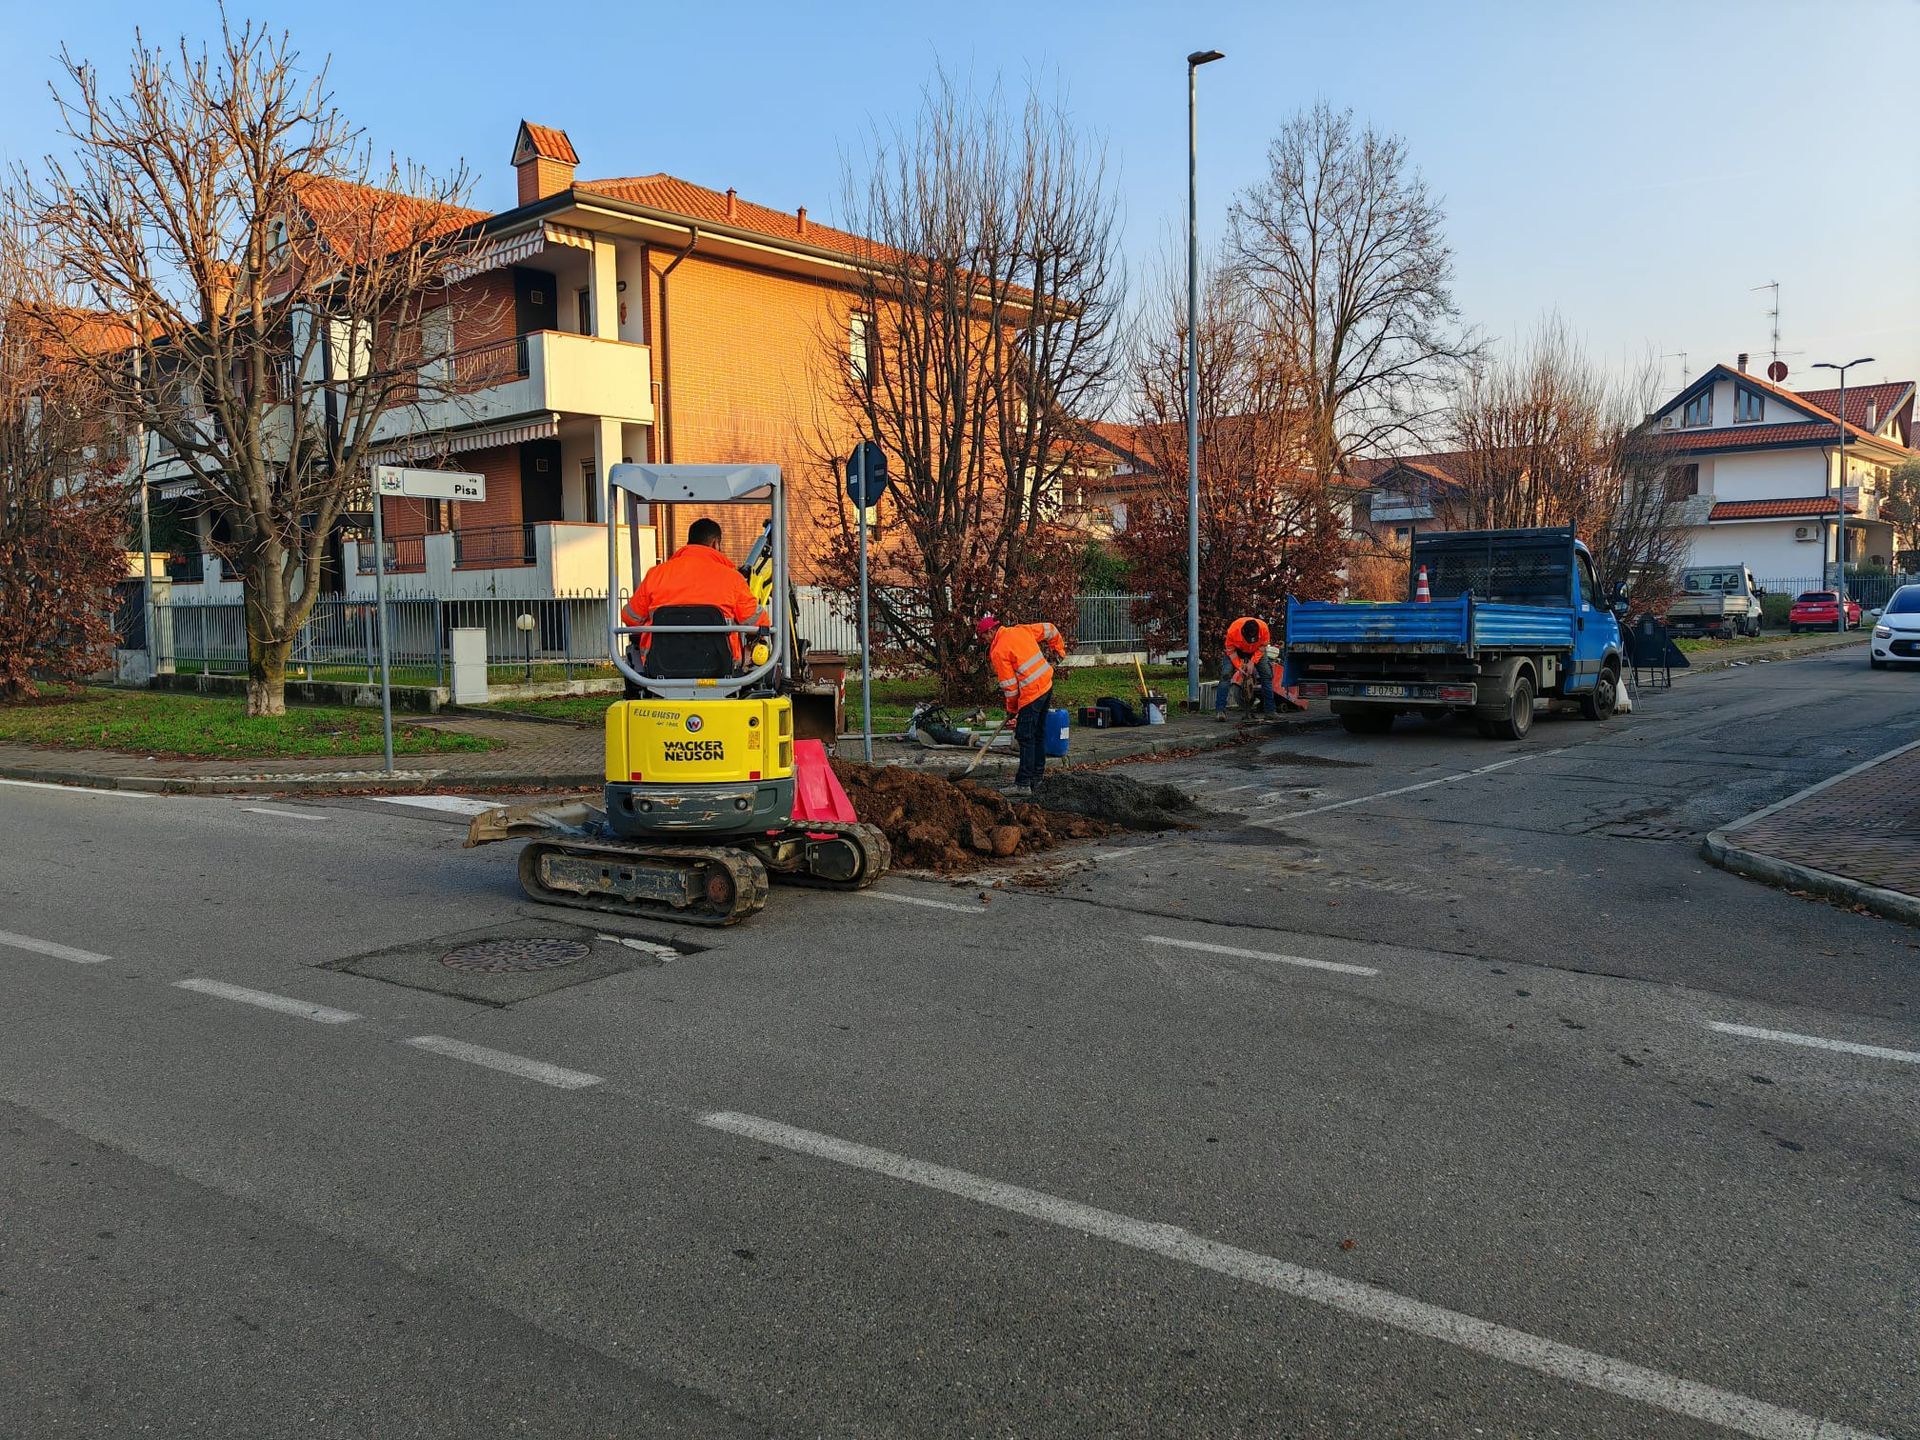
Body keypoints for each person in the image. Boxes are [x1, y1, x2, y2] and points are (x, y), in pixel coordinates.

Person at [620, 518, 767, 672]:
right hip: (721, 669)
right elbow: (759, 622)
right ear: (715, 544)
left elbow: (630, 618)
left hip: (661, 667)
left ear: (689, 542)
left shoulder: (656, 575)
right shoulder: (732, 579)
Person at [978, 614, 1067, 797]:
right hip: (1046, 686)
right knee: (1039, 733)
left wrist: (1012, 709)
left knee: (1025, 737)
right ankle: (1037, 778)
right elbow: (1050, 628)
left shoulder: (998, 651)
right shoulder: (1021, 630)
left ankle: (1023, 783)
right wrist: (1059, 651)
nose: (983, 640)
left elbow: (1009, 686)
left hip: (1032, 694)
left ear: (991, 631)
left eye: (983, 636)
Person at [1217, 615, 1276, 721]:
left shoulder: (1264, 628)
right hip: (1236, 651)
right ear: (1243, 633)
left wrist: (1252, 662)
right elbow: (1230, 650)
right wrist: (1239, 666)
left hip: (1256, 651)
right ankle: (1220, 711)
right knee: (1226, 675)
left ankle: (1270, 711)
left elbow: (1263, 646)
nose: (1251, 641)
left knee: (1267, 675)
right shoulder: (1233, 630)